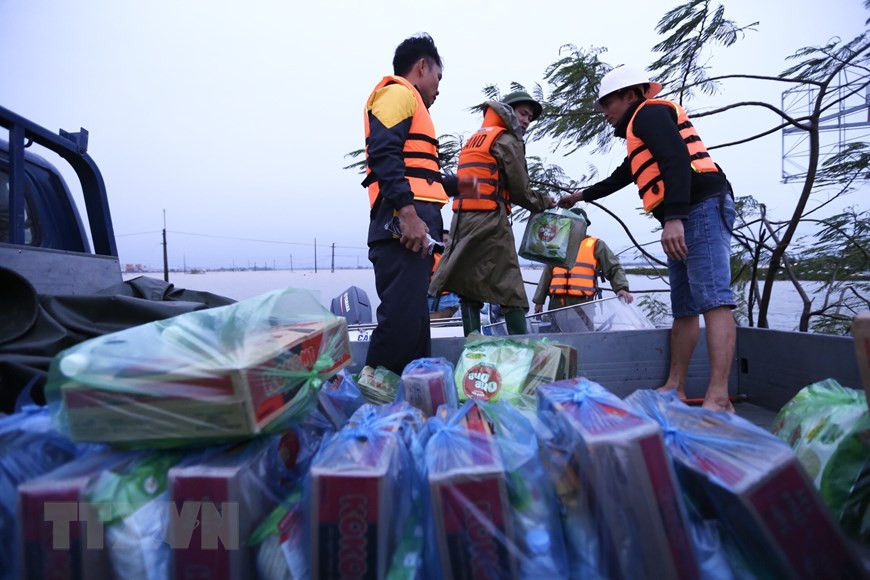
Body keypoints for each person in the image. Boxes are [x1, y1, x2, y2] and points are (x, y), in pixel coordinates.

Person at [558, 66, 737, 413]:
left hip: (698, 208)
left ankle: (719, 396)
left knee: (714, 298)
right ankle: (675, 387)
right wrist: (581, 196)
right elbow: (625, 174)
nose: (604, 113)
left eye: (607, 103)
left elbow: (676, 158)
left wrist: (674, 218)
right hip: (685, 213)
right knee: (684, 306)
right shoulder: (639, 128)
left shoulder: (649, 113)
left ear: (630, 95)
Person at [361, 33, 458, 374]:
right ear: (421, 67)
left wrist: (465, 184)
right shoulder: (398, 92)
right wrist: (408, 214)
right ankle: (376, 396)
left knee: (416, 326)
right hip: (400, 229)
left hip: (414, 233)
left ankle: (408, 399)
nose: (438, 88)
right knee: (400, 323)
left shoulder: (413, 105)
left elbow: (420, 174)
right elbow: (384, 153)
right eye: (438, 77)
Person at [429, 91, 555, 336]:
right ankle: (520, 348)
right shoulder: (507, 140)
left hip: (462, 222)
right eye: (523, 114)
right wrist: (544, 202)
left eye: (530, 117)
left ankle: (472, 346)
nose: (526, 120)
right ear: (508, 112)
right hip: (490, 222)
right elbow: (520, 191)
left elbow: (474, 184)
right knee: (511, 288)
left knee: (467, 287)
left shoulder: (475, 139)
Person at [532, 207, 634, 314]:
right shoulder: (557, 245)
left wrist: (621, 288)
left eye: (578, 223)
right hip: (557, 303)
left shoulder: (597, 245)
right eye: (571, 222)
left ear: (585, 225)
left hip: (584, 304)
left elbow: (614, 268)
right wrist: (539, 301)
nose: (575, 226)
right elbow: (547, 274)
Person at [428, 230, 461, 319]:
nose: (444, 244)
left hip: (452, 300)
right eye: (442, 241)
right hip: (431, 299)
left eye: (447, 241)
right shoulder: (430, 257)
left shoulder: (459, 259)